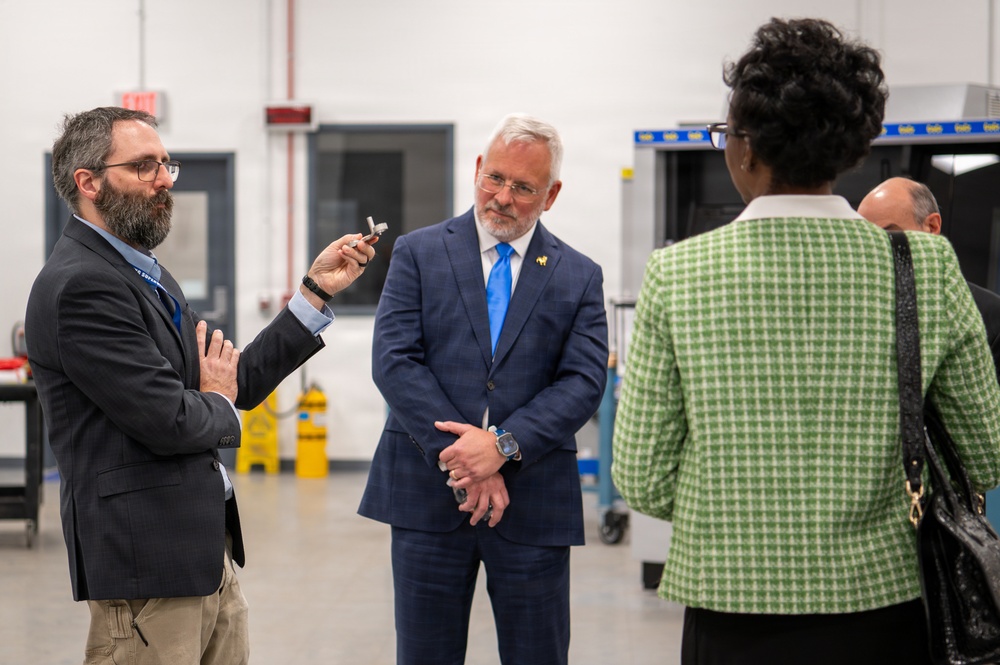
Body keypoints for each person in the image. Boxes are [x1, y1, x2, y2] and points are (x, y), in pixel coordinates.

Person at [611, 18, 1000, 665]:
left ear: (745, 148)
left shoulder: (676, 274)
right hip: (885, 605)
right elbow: (984, 451)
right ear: (848, 149)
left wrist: (742, 505)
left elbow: (642, 476)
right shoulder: (925, 267)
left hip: (729, 606)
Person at [25, 106, 376, 665]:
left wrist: (313, 294)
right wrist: (213, 399)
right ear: (88, 182)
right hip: (146, 572)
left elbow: (228, 383)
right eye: (143, 166)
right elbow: (173, 420)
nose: (164, 179)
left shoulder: (145, 272)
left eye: (166, 164)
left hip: (202, 554)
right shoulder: (81, 287)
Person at [358, 113, 608, 665]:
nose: (502, 197)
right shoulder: (419, 253)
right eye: (494, 178)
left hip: (533, 498)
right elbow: (394, 361)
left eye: (523, 187)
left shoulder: (578, 275)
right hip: (427, 495)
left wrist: (503, 445)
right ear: (476, 169)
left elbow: (584, 380)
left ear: (552, 194)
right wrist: (464, 460)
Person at [858, 176, 1000, 382]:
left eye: (888, 235)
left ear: (932, 227)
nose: (875, 251)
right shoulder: (860, 313)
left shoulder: (990, 318)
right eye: (867, 241)